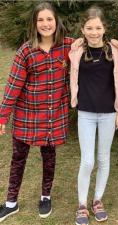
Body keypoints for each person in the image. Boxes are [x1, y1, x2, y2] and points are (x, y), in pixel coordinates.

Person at [0, 2, 74, 222]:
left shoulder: (69, 46)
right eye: (40, 20)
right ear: (34, 23)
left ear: (56, 21)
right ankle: (11, 202)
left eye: (49, 19)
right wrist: (3, 116)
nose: (45, 24)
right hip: (26, 115)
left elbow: (94, 42)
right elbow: (13, 85)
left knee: (49, 157)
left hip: (53, 114)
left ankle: (45, 197)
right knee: (18, 158)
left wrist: (117, 45)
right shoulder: (26, 51)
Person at [69, 6, 118, 225]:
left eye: (98, 28)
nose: (94, 32)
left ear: (105, 28)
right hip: (86, 112)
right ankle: (82, 204)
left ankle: (97, 200)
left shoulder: (115, 51)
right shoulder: (77, 51)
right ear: (83, 29)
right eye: (89, 28)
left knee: (103, 158)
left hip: (109, 113)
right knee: (88, 160)